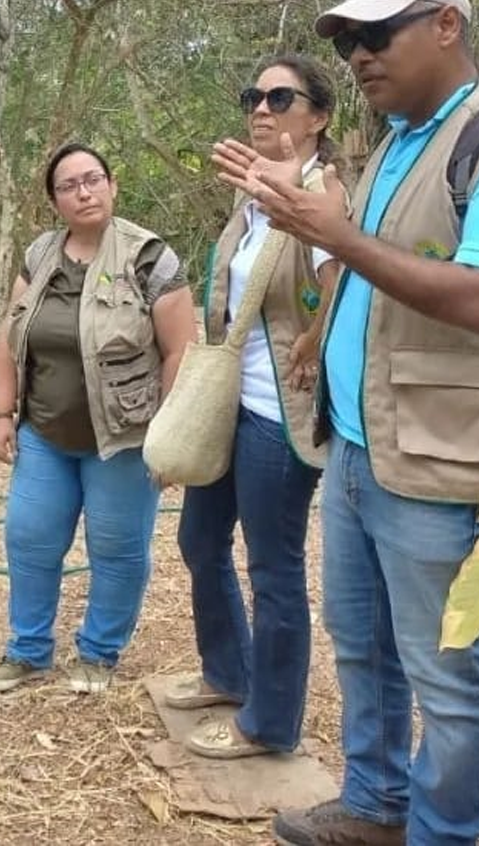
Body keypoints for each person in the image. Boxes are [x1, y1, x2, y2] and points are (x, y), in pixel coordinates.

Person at [214, 0, 479, 846]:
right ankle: (375, 805)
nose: (361, 57)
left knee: (446, 673)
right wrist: (318, 320)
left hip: (443, 455)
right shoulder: (401, 140)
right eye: (350, 43)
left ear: (446, 24)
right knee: (364, 645)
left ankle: (442, 832)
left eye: (379, 34)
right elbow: (370, 277)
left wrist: (331, 231)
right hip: (363, 447)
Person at [165, 55, 343, 761]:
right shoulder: (252, 195)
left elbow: (346, 273)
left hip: (280, 416)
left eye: (280, 97)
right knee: (200, 542)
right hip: (230, 406)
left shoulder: (322, 189)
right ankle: (227, 675)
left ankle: (269, 723)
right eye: (253, 97)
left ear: (319, 116)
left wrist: (315, 335)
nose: (261, 109)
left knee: (273, 568)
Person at [0, 142, 196, 695]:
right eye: (69, 185)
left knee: (117, 548)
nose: (83, 191)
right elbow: (11, 335)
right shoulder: (40, 255)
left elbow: (180, 352)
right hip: (46, 432)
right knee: (29, 538)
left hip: (124, 437)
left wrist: (169, 436)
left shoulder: (150, 257)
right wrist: (2, 411)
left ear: (112, 185)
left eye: (92, 179)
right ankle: (28, 650)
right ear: (55, 200)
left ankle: (99, 653)